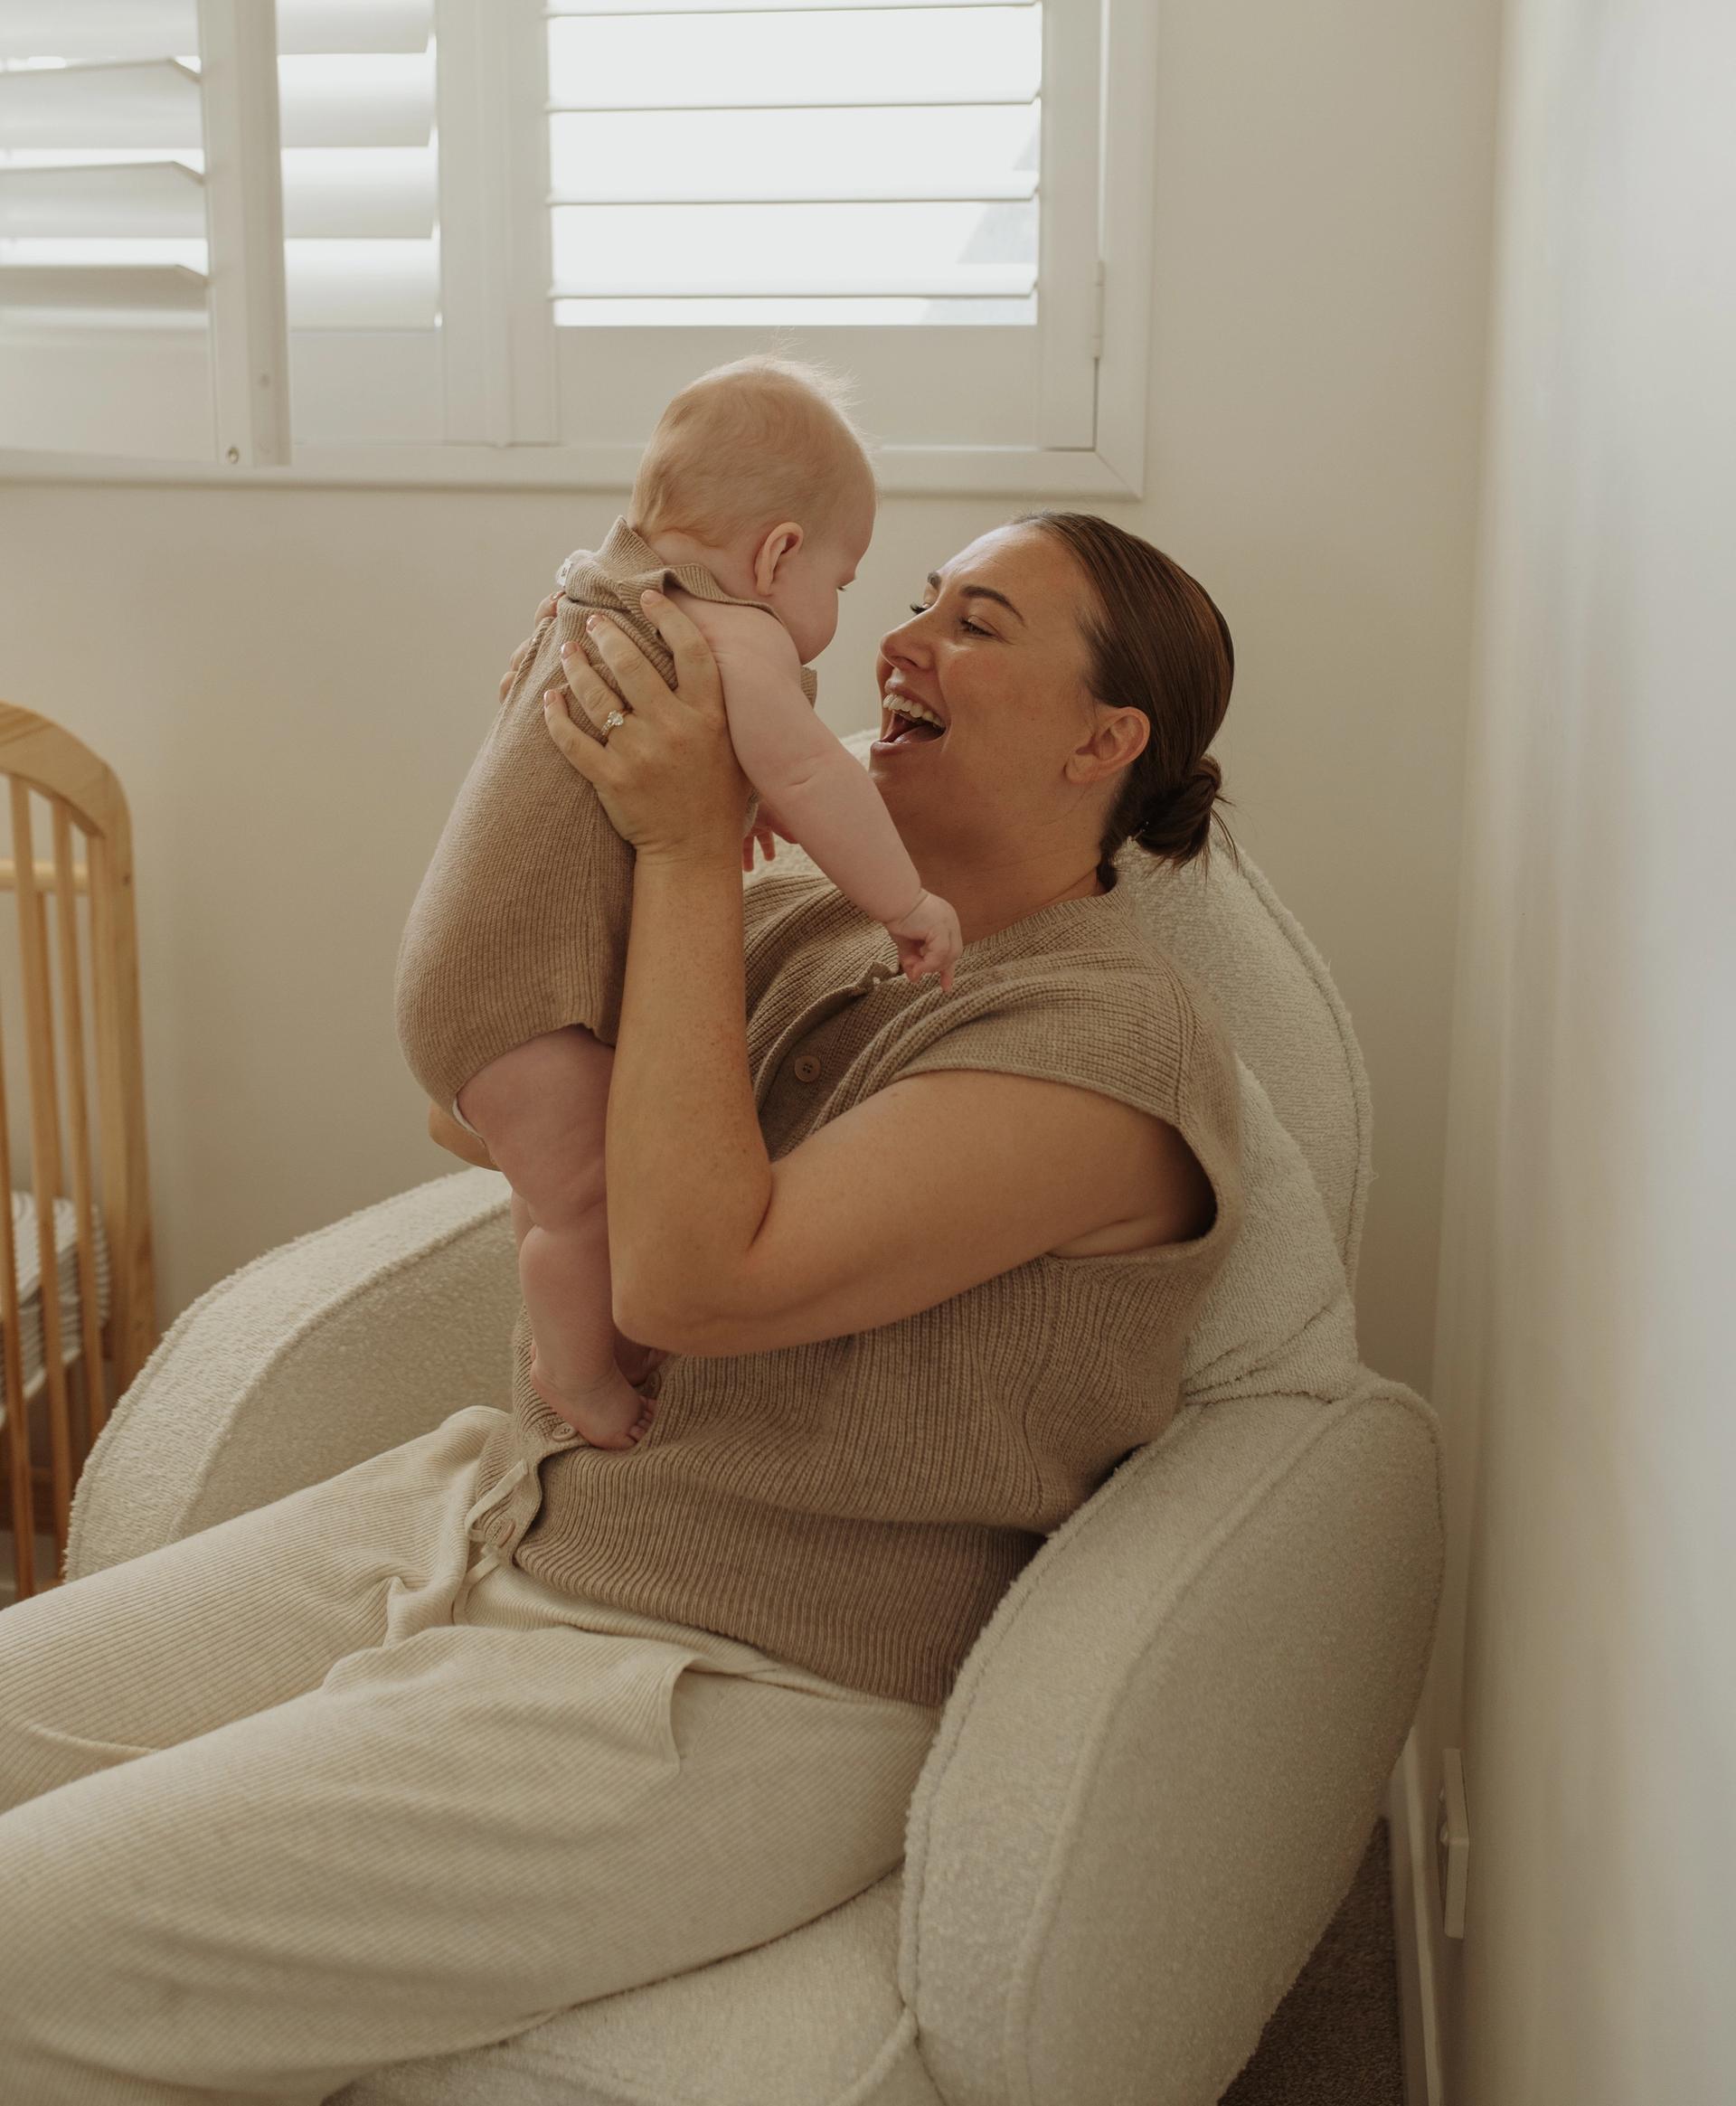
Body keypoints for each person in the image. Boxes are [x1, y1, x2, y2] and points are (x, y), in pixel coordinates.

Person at [0, 512, 1246, 2101]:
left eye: (978, 622)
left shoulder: (1112, 1040)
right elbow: (479, 1093)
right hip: (489, 1507)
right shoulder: (818, 933)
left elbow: (689, 1277)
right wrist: (551, 746)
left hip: (731, 1679)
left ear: (1105, 738)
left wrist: (679, 855)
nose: (902, 638)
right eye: (917, 597)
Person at [395, 354, 962, 1456]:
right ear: (778, 553)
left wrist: (723, 790)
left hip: (461, 969)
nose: (840, 614)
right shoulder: (730, 628)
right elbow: (814, 778)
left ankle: (596, 1336)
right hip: (516, 993)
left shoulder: (592, 591)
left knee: (571, 1185)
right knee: (585, 1197)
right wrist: (904, 898)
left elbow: (631, 779)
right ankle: (576, 1376)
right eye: (845, 586)